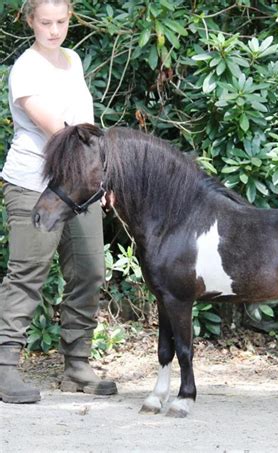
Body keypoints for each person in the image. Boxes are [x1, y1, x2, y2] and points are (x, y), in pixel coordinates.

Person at [0, 0, 117, 403]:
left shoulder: (73, 59)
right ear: (29, 20)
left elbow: (86, 125)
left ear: (71, 19)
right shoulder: (25, 69)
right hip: (34, 185)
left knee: (89, 271)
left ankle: (77, 366)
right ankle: (4, 369)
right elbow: (61, 134)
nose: (54, 30)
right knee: (27, 273)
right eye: (45, 22)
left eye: (61, 21)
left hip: (79, 188)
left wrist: (102, 181)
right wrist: (99, 174)